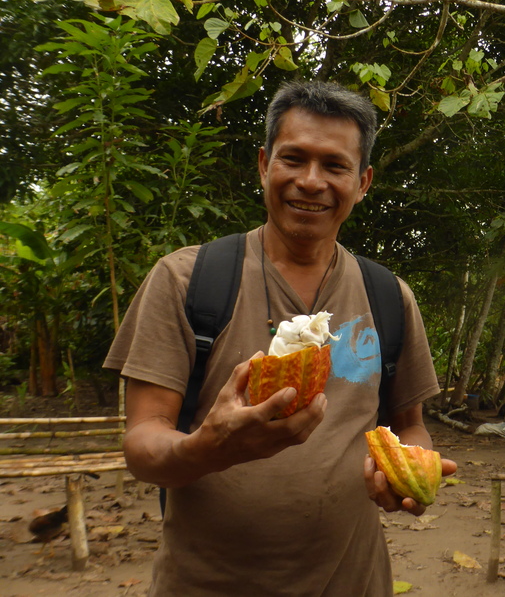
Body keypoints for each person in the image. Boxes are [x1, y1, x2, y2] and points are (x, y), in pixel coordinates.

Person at [104, 80, 455, 596]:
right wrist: (211, 447)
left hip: (355, 583)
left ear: (363, 182)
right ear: (264, 165)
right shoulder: (187, 281)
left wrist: (405, 472)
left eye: (335, 166)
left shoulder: (389, 297)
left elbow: (411, 428)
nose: (311, 182)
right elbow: (141, 445)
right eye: (293, 159)